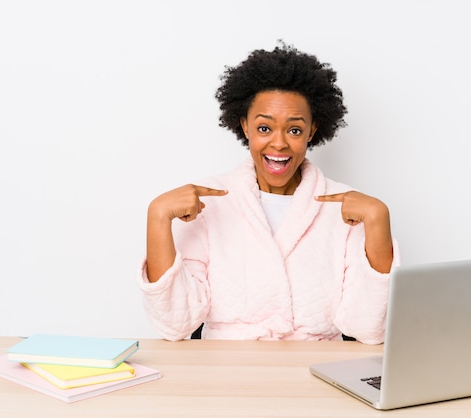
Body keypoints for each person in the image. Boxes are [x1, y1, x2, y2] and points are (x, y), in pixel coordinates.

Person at [137, 42, 399, 344]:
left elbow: (369, 330)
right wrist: (157, 216)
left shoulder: (348, 208)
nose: (279, 144)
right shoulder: (206, 202)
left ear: (312, 131)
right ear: (244, 125)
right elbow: (174, 325)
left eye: (295, 130)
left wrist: (379, 220)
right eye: (264, 129)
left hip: (317, 371)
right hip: (225, 372)